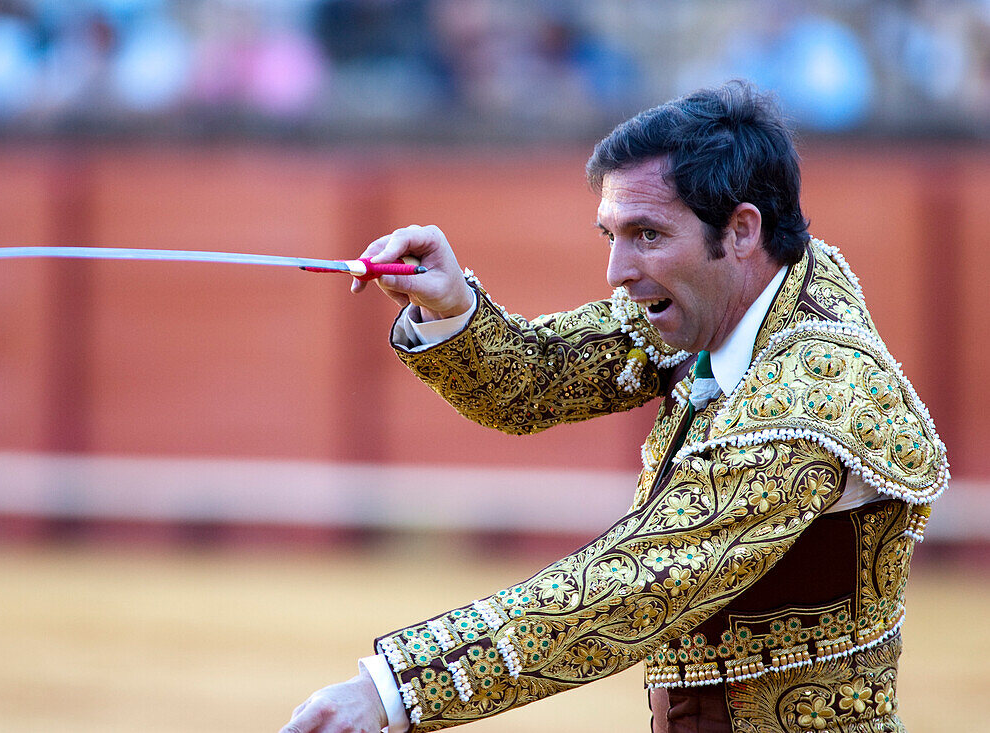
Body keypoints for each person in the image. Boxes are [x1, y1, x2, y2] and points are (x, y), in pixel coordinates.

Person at [280, 81, 947, 733]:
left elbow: (637, 584)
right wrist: (452, 308)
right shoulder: (734, 298)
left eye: (648, 234)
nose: (617, 270)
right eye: (611, 234)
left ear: (742, 230)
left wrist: (394, 689)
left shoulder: (811, 392)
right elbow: (541, 378)